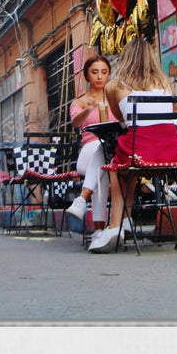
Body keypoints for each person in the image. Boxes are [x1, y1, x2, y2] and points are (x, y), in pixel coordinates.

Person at [90, 28, 177, 253]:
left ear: (125, 58)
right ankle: (126, 221)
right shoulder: (166, 83)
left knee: (118, 167)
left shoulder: (114, 86)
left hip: (139, 150)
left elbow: (121, 119)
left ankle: (115, 226)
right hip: (171, 153)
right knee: (127, 165)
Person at [64, 52, 113, 230]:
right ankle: (106, 227)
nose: (100, 76)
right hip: (89, 150)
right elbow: (76, 122)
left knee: (105, 169)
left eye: (104, 72)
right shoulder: (81, 101)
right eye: (94, 72)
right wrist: (88, 109)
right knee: (103, 159)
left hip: (112, 153)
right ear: (86, 75)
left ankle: (87, 210)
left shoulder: (114, 97)